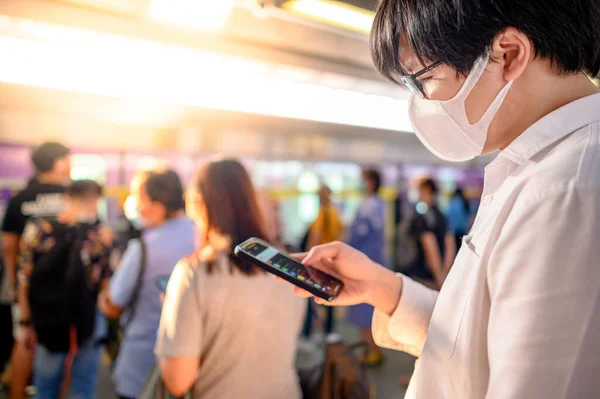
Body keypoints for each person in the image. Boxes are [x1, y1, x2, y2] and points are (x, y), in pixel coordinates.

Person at [287, 0, 600, 397]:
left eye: (422, 78)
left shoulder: (566, 192)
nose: (419, 103)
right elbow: (484, 347)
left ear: (508, 54)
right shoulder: (543, 172)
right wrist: (386, 289)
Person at [156, 159, 305, 398]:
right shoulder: (285, 265)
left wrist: (171, 314)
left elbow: (177, 380)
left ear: (198, 204)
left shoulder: (195, 273)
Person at [98, 168, 194, 399]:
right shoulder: (203, 237)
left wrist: (103, 288)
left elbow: (113, 305)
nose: (135, 205)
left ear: (158, 202)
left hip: (141, 365)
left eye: (138, 197)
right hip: (191, 366)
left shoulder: (143, 248)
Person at [19, 180, 114, 399]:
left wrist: (26, 321)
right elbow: (107, 285)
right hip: (89, 319)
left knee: (44, 387)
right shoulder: (102, 236)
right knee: (82, 387)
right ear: (95, 201)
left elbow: (25, 278)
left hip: (48, 318)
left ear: (65, 198)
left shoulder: (39, 230)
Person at [1, 142, 71, 399]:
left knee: (24, 342)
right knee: (65, 347)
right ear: (58, 162)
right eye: (67, 158)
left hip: (27, 286)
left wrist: (15, 282)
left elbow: (9, 247)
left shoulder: (20, 198)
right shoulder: (71, 196)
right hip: (64, 287)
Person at [346, 168, 385, 366]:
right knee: (370, 308)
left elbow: (358, 235)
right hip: (372, 262)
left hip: (362, 264)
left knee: (363, 309)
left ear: (371, 182)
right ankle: (372, 349)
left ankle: (373, 350)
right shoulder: (378, 204)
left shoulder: (368, 206)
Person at [302, 184, 344, 336]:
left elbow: (315, 239)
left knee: (309, 298)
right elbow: (343, 234)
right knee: (329, 297)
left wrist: (307, 259)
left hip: (319, 262)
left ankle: (308, 331)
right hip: (332, 261)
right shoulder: (335, 213)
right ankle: (329, 331)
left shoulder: (323, 214)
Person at [404, 178, 456, 289]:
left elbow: (430, 246)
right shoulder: (441, 215)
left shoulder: (423, 216)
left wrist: (439, 277)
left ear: (426, 189)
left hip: (425, 275)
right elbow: (450, 245)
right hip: (440, 275)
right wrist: (445, 273)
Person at [446, 187, 472, 252]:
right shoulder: (465, 202)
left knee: (455, 250)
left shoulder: (453, 202)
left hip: (454, 231)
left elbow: (448, 215)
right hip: (464, 230)